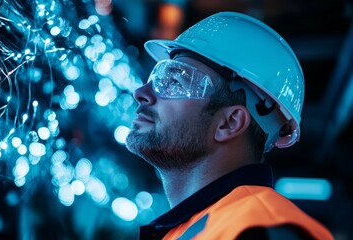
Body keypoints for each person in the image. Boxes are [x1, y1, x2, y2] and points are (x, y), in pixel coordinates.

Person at [125, 11, 334, 240]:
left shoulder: (259, 229)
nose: (141, 93)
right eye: (157, 79)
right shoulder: (193, 228)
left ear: (229, 123)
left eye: (175, 82)